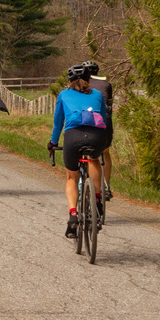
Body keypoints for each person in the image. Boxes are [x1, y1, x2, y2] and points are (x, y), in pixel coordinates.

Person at [47, 64, 111, 238]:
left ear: (69, 81)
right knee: (94, 160)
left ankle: (73, 214)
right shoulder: (97, 94)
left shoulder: (64, 94)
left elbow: (58, 123)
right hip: (97, 136)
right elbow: (104, 119)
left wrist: (53, 142)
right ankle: (97, 200)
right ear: (89, 80)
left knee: (71, 177)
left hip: (73, 137)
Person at [82, 60, 113, 200]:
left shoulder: (80, 85)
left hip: (87, 120)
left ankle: (86, 181)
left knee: (85, 149)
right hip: (105, 121)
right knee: (105, 151)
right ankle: (106, 185)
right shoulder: (106, 84)